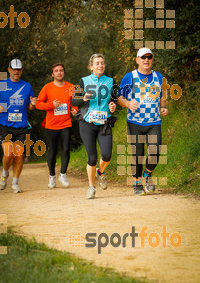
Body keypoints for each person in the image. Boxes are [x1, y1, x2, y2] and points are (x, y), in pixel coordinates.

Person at [117, 48, 168, 195]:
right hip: (135, 122)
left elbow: (162, 96)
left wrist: (163, 107)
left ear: (152, 59)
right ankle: (137, 183)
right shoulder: (129, 77)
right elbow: (119, 97)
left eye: (149, 57)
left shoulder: (159, 77)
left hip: (154, 122)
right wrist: (128, 104)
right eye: (143, 57)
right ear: (137, 59)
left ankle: (147, 174)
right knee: (137, 154)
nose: (146, 60)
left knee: (155, 151)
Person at [72, 53, 117, 199]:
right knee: (92, 158)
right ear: (91, 66)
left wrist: (112, 106)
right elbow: (74, 100)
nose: (100, 65)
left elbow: (114, 100)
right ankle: (91, 187)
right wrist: (84, 97)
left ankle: (101, 172)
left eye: (102, 63)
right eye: (97, 63)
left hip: (104, 123)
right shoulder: (83, 81)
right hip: (87, 124)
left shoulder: (111, 81)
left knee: (107, 155)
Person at [36, 63, 77, 188]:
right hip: (51, 125)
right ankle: (52, 177)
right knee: (52, 151)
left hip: (66, 123)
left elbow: (75, 102)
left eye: (61, 70)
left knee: (66, 149)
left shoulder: (71, 87)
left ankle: (63, 174)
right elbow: (38, 104)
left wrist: (75, 110)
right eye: (56, 71)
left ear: (64, 72)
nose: (59, 73)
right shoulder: (47, 87)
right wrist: (51, 105)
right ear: (52, 74)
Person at [0, 59, 37, 193]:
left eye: (19, 69)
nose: (16, 71)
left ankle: (15, 183)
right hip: (5, 124)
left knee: (19, 156)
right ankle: (4, 174)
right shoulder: (2, 84)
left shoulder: (27, 86)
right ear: (9, 70)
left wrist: (33, 104)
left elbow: (30, 106)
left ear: (21, 71)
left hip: (21, 125)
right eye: (14, 69)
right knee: (8, 154)